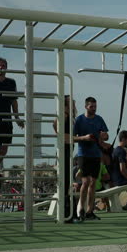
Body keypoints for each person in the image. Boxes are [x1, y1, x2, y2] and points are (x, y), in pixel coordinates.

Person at [73, 97, 109, 221]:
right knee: (85, 182)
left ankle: (89, 211)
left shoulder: (99, 119)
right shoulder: (79, 120)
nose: (94, 109)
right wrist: (84, 138)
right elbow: (72, 137)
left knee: (93, 183)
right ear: (86, 107)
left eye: (95, 106)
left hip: (96, 155)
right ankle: (80, 209)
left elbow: (106, 135)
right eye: (91, 107)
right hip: (83, 154)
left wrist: (104, 136)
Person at [0, 58, 24, 176]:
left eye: (3, 65)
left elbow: (14, 101)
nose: (1, 67)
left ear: (6, 67)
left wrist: (17, 118)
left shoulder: (11, 82)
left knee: (4, 149)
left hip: (7, 120)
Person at [53, 95, 76, 223]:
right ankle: (64, 214)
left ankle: (65, 213)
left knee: (66, 182)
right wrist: (80, 138)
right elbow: (61, 132)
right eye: (71, 103)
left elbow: (54, 126)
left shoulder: (68, 117)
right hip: (65, 151)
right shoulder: (65, 116)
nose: (74, 104)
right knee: (65, 182)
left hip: (67, 150)